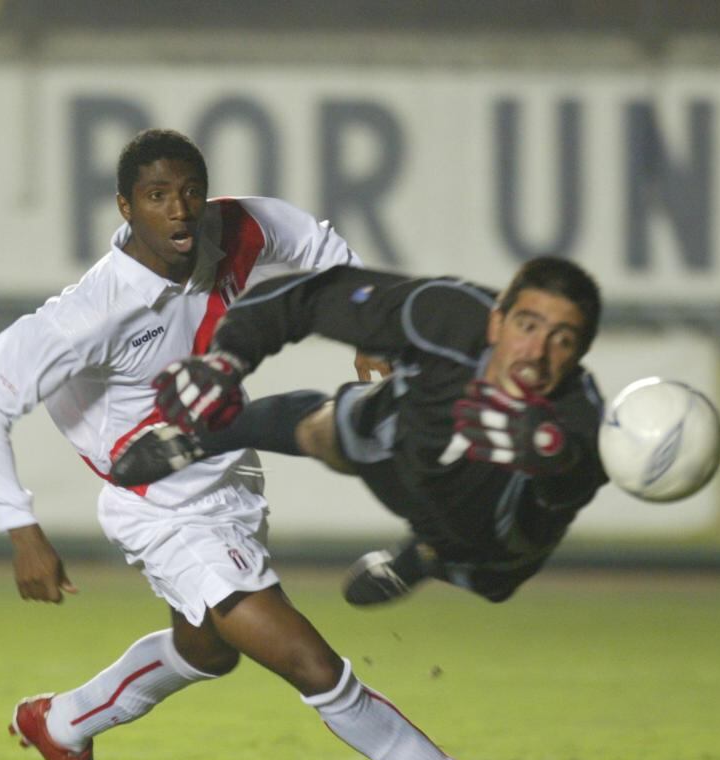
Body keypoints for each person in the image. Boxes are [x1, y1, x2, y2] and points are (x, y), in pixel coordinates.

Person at [0, 128, 549, 760]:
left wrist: (372, 330)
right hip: (160, 506)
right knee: (314, 667)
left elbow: (319, 245)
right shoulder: (90, 314)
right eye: (157, 196)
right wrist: (22, 528)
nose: (179, 210)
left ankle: (63, 723)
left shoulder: (231, 229)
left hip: (225, 471)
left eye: (189, 192)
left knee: (205, 652)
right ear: (124, 206)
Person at [110, 257, 607, 608]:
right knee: (323, 432)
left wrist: (556, 463)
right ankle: (201, 439)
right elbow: (304, 297)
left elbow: (576, 482)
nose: (536, 353)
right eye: (527, 325)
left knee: (494, 582)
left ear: (580, 353)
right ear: (497, 321)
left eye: (561, 339)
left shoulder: (579, 422)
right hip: (401, 442)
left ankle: (423, 558)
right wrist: (227, 358)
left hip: (475, 536)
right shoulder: (445, 316)